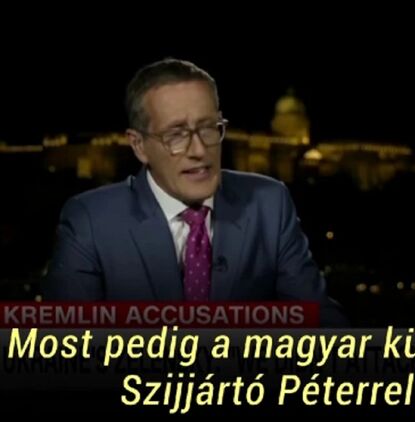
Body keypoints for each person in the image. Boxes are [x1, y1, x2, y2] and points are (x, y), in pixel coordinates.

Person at [42, 58, 347, 327]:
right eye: (176, 135)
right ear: (139, 145)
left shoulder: (270, 203)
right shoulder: (90, 222)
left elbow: (323, 326)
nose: (199, 150)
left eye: (208, 128)